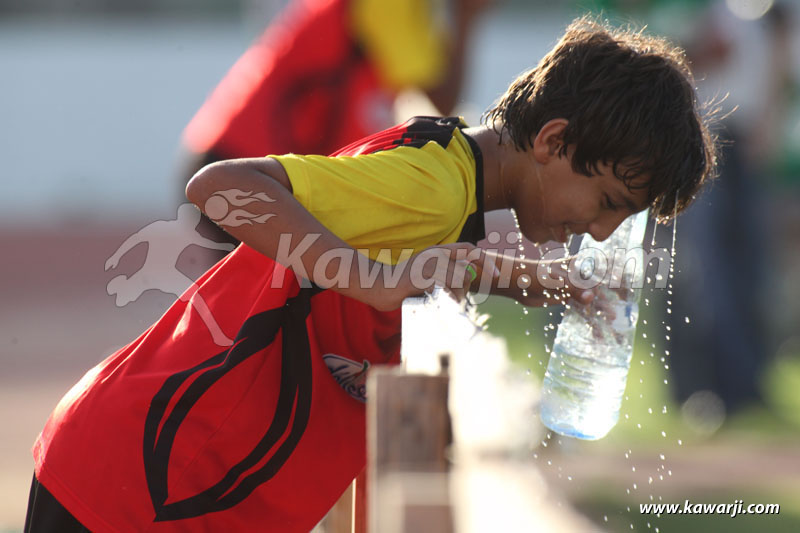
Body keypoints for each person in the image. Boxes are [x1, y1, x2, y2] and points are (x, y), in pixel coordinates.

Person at [26, 16, 716, 532]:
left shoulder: (448, 176)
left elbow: (395, 278)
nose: (600, 230)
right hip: (136, 484)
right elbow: (221, 187)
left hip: (150, 477)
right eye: (606, 204)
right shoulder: (434, 189)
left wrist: (502, 275)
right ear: (554, 140)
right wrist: (366, 276)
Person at [180, 0, 491, 247]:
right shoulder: (390, 4)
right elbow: (443, 99)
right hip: (245, 168)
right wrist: (466, 17)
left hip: (242, 162)